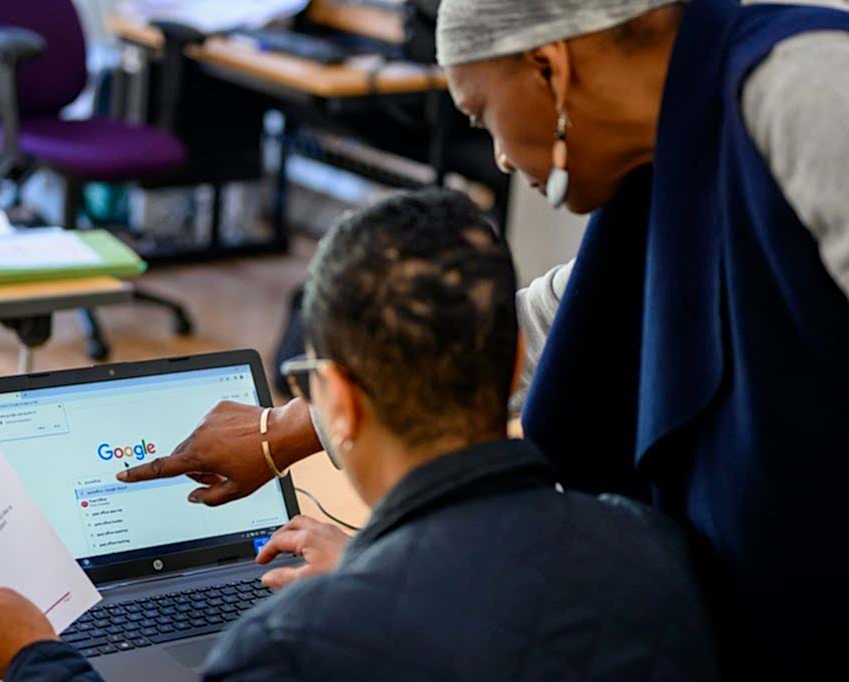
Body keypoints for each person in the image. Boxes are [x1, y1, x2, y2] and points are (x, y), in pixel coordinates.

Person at [96, 1, 849, 678]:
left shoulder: (808, 93)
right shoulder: (669, 151)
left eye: (481, 113)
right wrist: (292, 437)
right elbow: (542, 322)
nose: (495, 156)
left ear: (548, 68)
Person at [0, 190, 718, 681]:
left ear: (333, 396)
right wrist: (380, 567)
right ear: (516, 354)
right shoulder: (659, 550)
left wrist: (32, 658)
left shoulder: (301, 646)